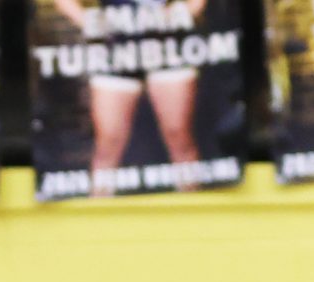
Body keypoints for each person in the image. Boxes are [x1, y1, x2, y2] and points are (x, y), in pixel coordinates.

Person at [55, 0, 205, 195]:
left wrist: (186, 12)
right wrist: (87, 21)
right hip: (115, 47)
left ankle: (192, 205)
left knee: (179, 137)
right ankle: (98, 208)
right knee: (108, 144)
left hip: (169, 45)